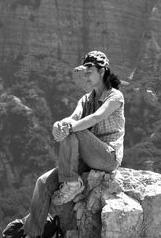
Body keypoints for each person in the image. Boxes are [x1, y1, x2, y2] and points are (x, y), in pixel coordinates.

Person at [23, 51, 125, 238]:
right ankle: (31, 234)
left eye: (89, 71)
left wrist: (69, 128)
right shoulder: (86, 99)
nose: (85, 76)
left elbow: (97, 117)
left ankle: (71, 182)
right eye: (83, 72)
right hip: (87, 157)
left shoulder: (115, 97)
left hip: (107, 157)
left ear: (102, 72)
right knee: (43, 183)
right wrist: (60, 125)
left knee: (74, 130)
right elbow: (73, 118)